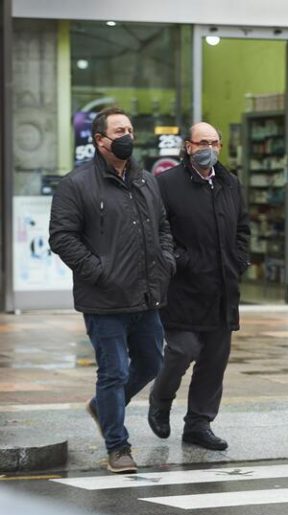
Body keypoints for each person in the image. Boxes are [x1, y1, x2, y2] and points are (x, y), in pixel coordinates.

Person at [49, 107, 175, 474]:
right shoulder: (77, 184)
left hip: (147, 295)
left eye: (130, 129)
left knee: (152, 363)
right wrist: (98, 272)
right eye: (119, 130)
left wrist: (166, 261)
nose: (127, 136)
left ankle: (103, 406)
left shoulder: (146, 180)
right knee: (114, 372)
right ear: (100, 140)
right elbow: (62, 237)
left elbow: (163, 226)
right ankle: (118, 448)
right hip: (104, 300)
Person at [147, 122, 251, 451]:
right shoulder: (166, 184)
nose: (209, 148)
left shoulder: (229, 183)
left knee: (214, 360)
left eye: (215, 142)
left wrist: (239, 261)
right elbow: (156, 235)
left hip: (223, 288)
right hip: (183, 289)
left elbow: (243, 228)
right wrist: (182, 261)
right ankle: (160, 401)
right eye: (202, 142)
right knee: (182, 351)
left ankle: (198, 423)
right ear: (188, 147)